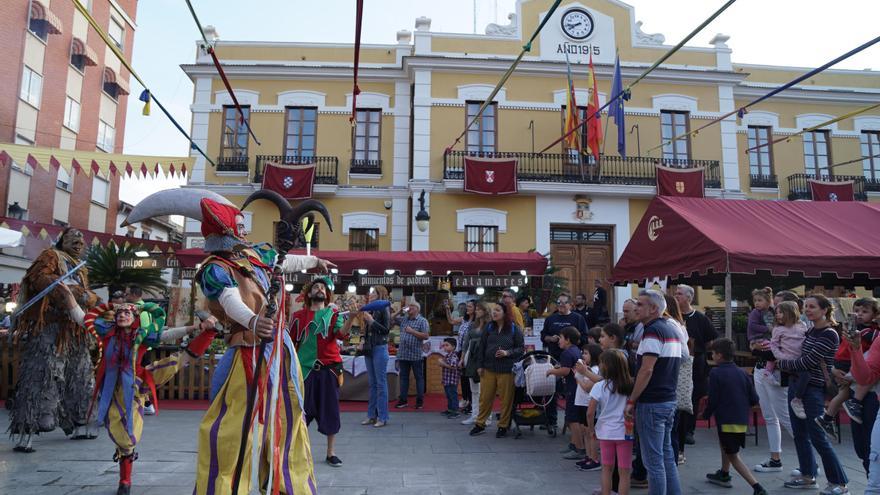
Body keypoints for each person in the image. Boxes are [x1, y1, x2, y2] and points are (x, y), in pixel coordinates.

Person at [128, 189, 335, 494]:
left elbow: (281, 261)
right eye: (238, 227)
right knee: (232, 428)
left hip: (278, 353)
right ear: (224, 233)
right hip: (248, 353)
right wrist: (253, 321)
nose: (243, 232)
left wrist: (314, 261)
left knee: (287, 422)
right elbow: (229, 300)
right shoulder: (214, 268)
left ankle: (287, 486)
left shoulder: (251, 254)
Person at [83, 301, 218, 495]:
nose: (121, 316)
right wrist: (67, 296)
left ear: (135, 317)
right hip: (113, 386)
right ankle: (125, 477)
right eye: (118, 313)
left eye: (126, 313)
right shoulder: (106, 332)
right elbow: (83, 318)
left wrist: (200, 327)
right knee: (118, 428)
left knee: (177, 361)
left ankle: (125, 481)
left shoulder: (142, 334)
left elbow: (167, 334)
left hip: (137, 381)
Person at [9, 228, 99, 452]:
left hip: (75, 329)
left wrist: (86, 296)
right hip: (50, 327)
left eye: (81, 240)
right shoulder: (51, 256)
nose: (78, 242)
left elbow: (88, 295)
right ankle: (28, 429)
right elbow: (40, 279)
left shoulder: (81, 268)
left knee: (80, 375)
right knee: (43, 374)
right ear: (61, 240)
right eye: (73, 238)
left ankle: (79, 421)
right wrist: (72, 292)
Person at [776, 294, 849, 493]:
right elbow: (799, 356)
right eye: (806, 306)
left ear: (824, 310)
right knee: (800, 434)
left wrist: (782, 363)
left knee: (817, 436)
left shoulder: (829, 334)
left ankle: (839, 483)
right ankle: (808, 476)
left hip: (813, 390)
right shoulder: (809, 331)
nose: (807, 310)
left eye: (812, 307)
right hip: (797, 386)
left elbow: (807, 361)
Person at [625, 289, 683, 495]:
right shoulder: (670, 329)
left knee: (653, 461)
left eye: (640, 304)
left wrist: (631, 401)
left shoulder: (652, 331)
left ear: (653, 309)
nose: (636, 308)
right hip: (668, 400)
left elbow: (647, 369)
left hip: (652, 402)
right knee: (666, 457)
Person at [290, 276, 351, 467]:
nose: (320, 289)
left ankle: (330, 452)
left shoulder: (333, 315)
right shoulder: (298, 317)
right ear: (309, 293)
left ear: (327, 294)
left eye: (323, 288)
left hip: (328, 370)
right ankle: (299, 452)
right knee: (301, 413)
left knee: (330, 411)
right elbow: (290, 344)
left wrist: (353, 318)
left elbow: (342, 335)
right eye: (316, 287)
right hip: (305, 370)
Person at [703, 338, 768, 495]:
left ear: (719, 355)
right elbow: (754, 399)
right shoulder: (742, 373)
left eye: (713, 353)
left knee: (733, 456)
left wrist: (706, 414)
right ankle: (724, 474)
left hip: (726, 420)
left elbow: (713, 399)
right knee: (725, 445)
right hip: (740, 420)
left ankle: (757, 487)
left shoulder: (716, 373)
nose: (712, 355)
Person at [818, 298, 880, 435]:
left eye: (864, 311)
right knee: (867, 380)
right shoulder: (865, 331)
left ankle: (827, 418)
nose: (859, 314)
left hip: (844, 361)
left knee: (844, 393)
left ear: (875, 315)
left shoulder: (860, 329)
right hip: (847, 362)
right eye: (856, 311)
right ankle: (855, 402)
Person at [469, 303, 524, 438]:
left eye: (497, 310)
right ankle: (480, 424)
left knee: (506, 400)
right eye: (493, 311)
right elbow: (481, 347)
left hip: (506, 369)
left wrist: (507, 352)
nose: (494, 313)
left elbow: (521, 349)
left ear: (505, 313)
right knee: (485, 398)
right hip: (488, 368)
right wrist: (480, 366)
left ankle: (503, 426)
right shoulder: (489, 327)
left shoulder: (514, 329)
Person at [839, 297, 880, 476]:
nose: (860, 315)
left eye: (865, 311)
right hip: (862, 393)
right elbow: (865, 375)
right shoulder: (873, 336)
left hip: (871, 396)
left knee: (871, 451)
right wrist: (855, 349)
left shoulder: (874, 334)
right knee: (864, 450)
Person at [674, 284, 717, 446]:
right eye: (676, 294)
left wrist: (696, 349)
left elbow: (710, 340)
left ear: (689, 298)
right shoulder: (673, 317)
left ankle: (689, 430)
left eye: (679, 294)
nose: (676, 296)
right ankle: (676, 429)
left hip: (696, 363)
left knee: (693, 397)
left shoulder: (699, 318)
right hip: (677, 363)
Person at [589, 350, 635, 495]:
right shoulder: (630, 385)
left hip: (605, 432)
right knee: (625, 472)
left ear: (606, 366)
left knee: (607, 469)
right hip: (625, 433)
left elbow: (590, 412)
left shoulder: (599, 386)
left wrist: (591, 430)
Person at [541, 293, 588, 431]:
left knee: (571, 390)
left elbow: (584, 337)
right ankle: (551, 420)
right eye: (558, 302)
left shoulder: (578, 318)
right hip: (554, 356)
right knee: (551, 389)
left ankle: (573, 420)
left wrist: (570, 342)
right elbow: (543, 336)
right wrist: (551, 338)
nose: (560, 305)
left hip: (572, 358)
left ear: (570, 304)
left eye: (563, 302)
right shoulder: (551, 318)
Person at [547, 327, 588, 464]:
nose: (559, 341)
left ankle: (579, 448)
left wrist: (551, 371)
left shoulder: (566, 353)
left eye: (561, 338)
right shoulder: (575, 350)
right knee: (572, 418)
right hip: (577, 388)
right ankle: (573, 444)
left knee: (572, 419)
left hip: (573, 389)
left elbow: (565, 371)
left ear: (568, 339)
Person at [765, 302, 809, 419]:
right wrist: (781, 357)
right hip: (787, 361)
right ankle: (797, 400)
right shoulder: (778, 329)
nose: (777, 315)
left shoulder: (802, 325)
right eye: (776, 313)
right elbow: (773, 345)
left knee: (805, 377)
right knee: (804, 375)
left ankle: (803, 401)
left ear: (790, 312)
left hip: (801, 359)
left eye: (780, 312)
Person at [664, 294, 693, 466]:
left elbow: (683, 354)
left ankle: (675, 457)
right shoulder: (679, 324)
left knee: (673, 424)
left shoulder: (671, 325)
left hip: (673, 378)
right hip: (675, 378)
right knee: (675, 422)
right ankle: (677, 455)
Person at [357, 285, 392, 428]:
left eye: (373, 293)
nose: (370, 295)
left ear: (379, 294)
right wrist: (363, 340)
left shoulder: (384, 308)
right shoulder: (369, 309)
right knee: (372, 383)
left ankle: (382, 417)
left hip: (380, 347)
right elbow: (367, 330)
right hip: (369, 348)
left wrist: (372, 321)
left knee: (380, 383)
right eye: (370, 293)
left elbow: (386, 330)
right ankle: (371, 415)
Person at [393, 301, 430, 409]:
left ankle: (419, 401)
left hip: (415, 354)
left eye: (412, 307)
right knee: (403, 377)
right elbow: (391, 318)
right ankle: (403, 400)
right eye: (409, 307)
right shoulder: (404, 319)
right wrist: (400, 310)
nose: (410, 308)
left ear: (417, 309)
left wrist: (412, 331)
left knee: (419, 377)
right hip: (403, 353)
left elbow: (426, 336)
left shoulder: (422, 321)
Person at [461, 301, 491, 426]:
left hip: (483, 357)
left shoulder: (490, 325)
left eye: (479, 309)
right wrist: (462, 358)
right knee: (473, 389)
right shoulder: (473, 325)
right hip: (471, 356)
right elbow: (466, 342)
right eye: (476, 309)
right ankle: (474, 415)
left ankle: (486, 417)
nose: (476, 311)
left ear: (484, 311)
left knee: (484, 390)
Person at [447, 300, 473, 413]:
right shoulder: (464, 319)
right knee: (463, 378)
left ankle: (471, 403)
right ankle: (466, 399)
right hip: (461, 351)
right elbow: (451, 321)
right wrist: (448, 309)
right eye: (467, 306)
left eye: (470, 306)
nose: (467, 308)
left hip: (470, 352)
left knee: (470, 378)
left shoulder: (477, 322)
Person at [437, 337, 461, 418]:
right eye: (444, 345)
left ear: (453, 347)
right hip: (447, 380)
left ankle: (455, 411)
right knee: (448, 395)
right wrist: (441, 363)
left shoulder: (453, 356)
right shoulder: (447, 356)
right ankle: (450, 409)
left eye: (447, 345)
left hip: (452, 380)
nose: (445, 347)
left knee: (453, 395)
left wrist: (442, 363)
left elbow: (453, 367)